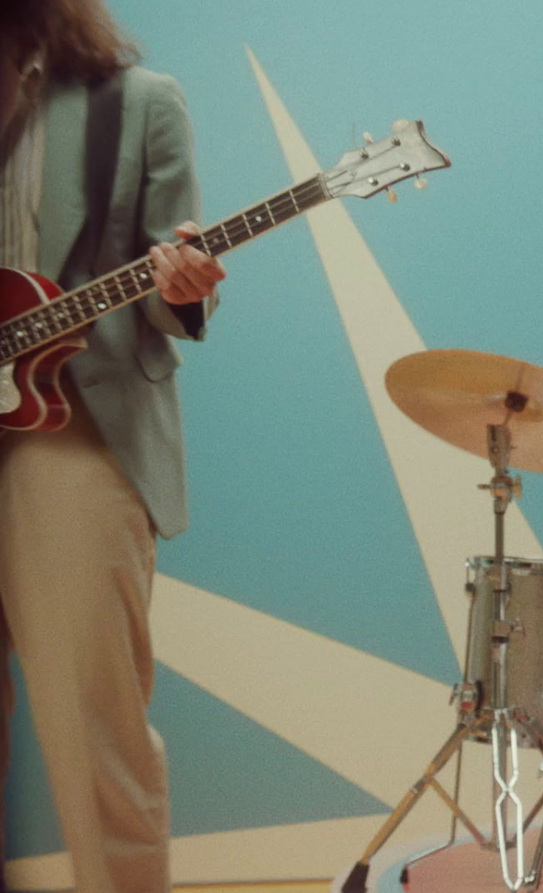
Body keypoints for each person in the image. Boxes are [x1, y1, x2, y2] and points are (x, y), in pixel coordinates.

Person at [0, 1, 225, 890]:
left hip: (74, 424)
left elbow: (176, 288)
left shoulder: (136, 103)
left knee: (95, 729)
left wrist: (187, 283)